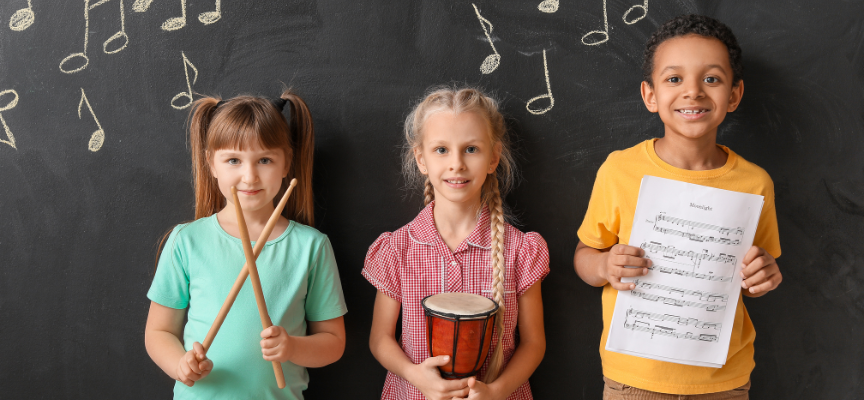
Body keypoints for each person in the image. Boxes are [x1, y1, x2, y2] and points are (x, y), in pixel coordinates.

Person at [573, 15, 783, 399]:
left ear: (734, 95)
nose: (694, 92)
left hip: (724, 380)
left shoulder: (755, 184)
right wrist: (604, 265)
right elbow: (585, 255)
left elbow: (753, 277)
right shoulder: (620, 170)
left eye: (712, 79)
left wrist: (764, 275)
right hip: (635, 378)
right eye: (674, 79)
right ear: (650, 95)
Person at [144, 90, 347, 399]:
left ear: (286, 164)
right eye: (234, 160)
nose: (249, 176)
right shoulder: (186, 241)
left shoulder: (311, 247)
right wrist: (179, 364)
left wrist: (293, 347)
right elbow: (159, 332)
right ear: (212, 164)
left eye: (264, 160)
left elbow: (333, 342)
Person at [363, 86, 548, 400]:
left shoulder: (520, 250)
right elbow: (380, 338)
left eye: (471, 149)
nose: (457, 164)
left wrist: (496, 391)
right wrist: (415, 376)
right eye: (441, 150)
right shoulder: (397, 249)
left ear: (493, 157)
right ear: (421, 159)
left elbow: (534, 343)